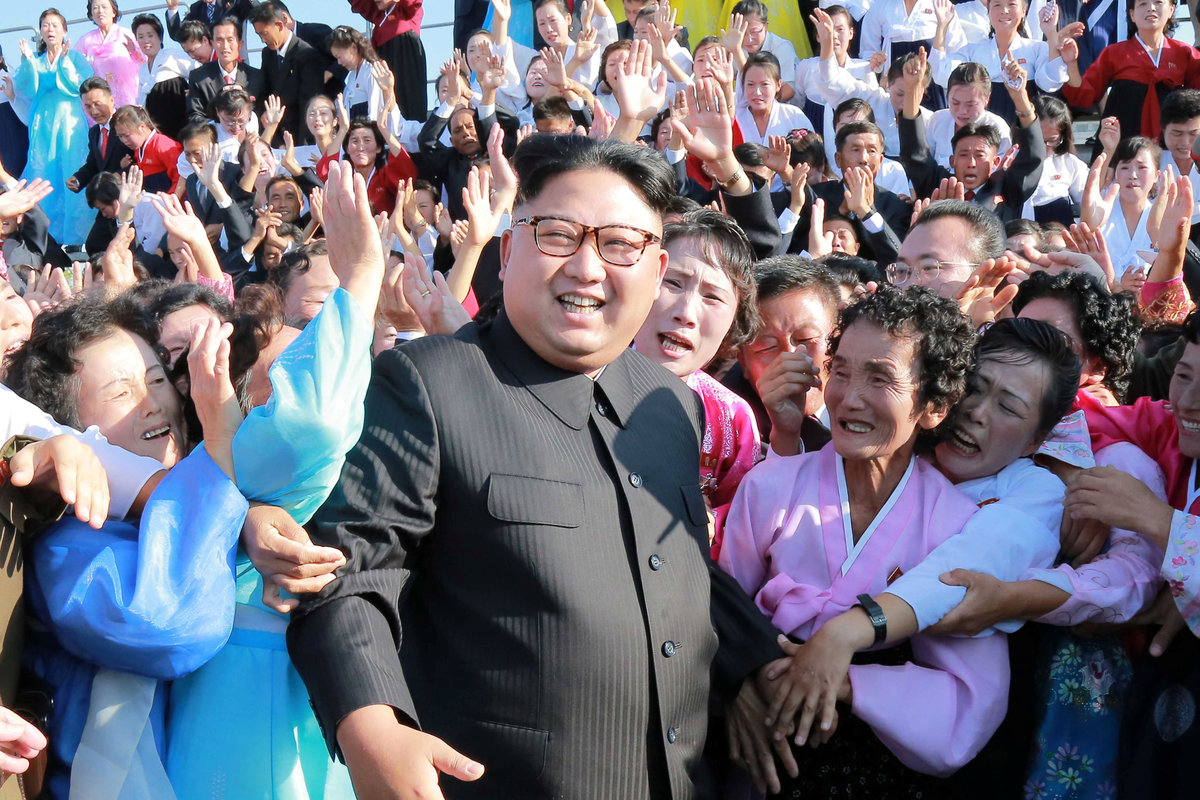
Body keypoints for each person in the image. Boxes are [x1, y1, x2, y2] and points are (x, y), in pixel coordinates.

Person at [287, 134, 783, 800]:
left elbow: (666, 566)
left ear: (656, 267)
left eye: (620, 244)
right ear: (508, 250)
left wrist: (745, 666)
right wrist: (372, 726)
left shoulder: (672, 405)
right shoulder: (427, 383)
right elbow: (347, 573)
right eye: (557, 235)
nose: (586, 268)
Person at [718, 285, 1008, 796]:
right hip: (757, 740)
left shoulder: (956, 525)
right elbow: (718, 613)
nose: (849, 398)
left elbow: (970, 700)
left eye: (880, 378)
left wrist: (845, 679)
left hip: (877, 764)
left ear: (935, 405)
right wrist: (737, 685)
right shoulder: (770, 486)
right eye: (841, 370)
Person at [630, 208, 762, 522]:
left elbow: (740, 524)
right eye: (674, 283)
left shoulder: (733, 419)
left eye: (712, 297)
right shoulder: (577, 380)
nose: (686, 313)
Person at [898, 51, 1044, 223]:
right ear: (952, 160)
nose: (971, 163)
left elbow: (1032, 159)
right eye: (963, 154)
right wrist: (912, 91)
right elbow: (915, 154)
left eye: (980, 155)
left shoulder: (1005, 191)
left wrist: (1020, 97)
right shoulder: (939, 185)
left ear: (995, 161)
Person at [722, 255, 840, 456]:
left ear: (838, 338)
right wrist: (785, 438)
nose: (791, 359)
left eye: (805, 339)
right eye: (767, 347)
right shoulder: (729, 430)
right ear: (744, 362)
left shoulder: (874, 400)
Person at [1061, 0, 1200, 144]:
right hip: (1122, 147)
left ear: (1171, 10)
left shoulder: (1186, 53)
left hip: (1173, 146)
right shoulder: (1113, 53)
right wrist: (1072, 63)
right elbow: (1083, 96)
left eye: (1158, 2)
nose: (1151, 8)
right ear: (1132, 14)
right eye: (1143, 4)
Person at [14, 9, 95, 246]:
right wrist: (28, 62)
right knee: (43, 171)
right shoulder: (36, 60)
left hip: (70, 123)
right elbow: (26, 88)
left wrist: (65, 61)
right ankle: (45, 238)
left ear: (65, 31)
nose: (50, 29)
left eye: (55, 25)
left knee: (72, 168)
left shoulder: (76, 57)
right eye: (45, 25)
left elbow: (82, 85)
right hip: (43, 125)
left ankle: (78, 238)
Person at [252, 1, 325, 146]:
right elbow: (264, 92)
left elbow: (308, 105)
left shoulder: (307, 55)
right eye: (258, 34)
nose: (262, 40)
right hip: (274, 138)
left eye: (264, 33)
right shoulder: (267, 54)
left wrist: (303, 148)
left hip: (298, 141)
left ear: (279, 25)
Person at [347, 0, 427, 121]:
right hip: (383, 59)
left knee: (409, 103)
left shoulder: (406, 11)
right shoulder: (378, 14)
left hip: (405, 58)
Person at [187, 16, 266, 125]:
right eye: (219, 40)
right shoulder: (199, 77)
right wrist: (221, 127)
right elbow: (194, 116)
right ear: (212, 43)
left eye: (230, 40)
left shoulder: (256, 77)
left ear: (240, 44)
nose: (225, 46)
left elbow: (262, 113)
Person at [131, 13, 194, 140]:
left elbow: (197, 71)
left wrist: (194, 91)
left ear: (159, 37)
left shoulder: (171, 55)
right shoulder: (142, 69)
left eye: (150, 35)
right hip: (158, 131)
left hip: (180, 124)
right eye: (141, 37)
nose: (146, 41)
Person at [67, 77, 134, 196]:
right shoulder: (94, 132)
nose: (94, 112)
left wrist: (119, 174)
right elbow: (93, 164)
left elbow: (140, 159)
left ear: (112, 100)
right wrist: (78, 179)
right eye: (88, 106)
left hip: (128, 194)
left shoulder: (127, 123)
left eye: (98, 104)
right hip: (107, 197)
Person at [74, 0, 145, 109]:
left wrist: (134, 51)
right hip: (99, 97)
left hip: (127, 94)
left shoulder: (125, 34)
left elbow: (144, 60)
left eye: (104, 7)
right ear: (91, 14)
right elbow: (75, 63)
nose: (100, 11)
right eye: (95, 8)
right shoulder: (86, 40)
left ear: (113, 12)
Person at [111, 104, 182, 193]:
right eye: (120, 136)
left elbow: (180, 177)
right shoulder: (139, 148)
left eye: (127, 135)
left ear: (142, 127)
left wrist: (171, 197)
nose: (124, 141)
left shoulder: (163, 146)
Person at [164, 0, 256, 43]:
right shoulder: (196, 8)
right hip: (208, 68)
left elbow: (257, 12)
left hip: (236, 63)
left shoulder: (234, 2)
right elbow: (179, 35)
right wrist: (172, 8)